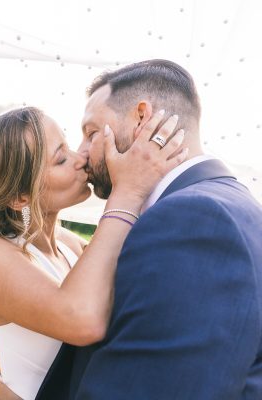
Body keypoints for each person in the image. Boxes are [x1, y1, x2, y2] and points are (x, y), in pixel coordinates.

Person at [35, 59, 262, 399]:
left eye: (91, 133)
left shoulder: (194, 219)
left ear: (142, 117)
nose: (81, 154)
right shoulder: (220, 203)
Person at [0, 104, 186, 399]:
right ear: (19, 196)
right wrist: (127, 193)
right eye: (61, 159)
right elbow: (82, 320)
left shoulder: (70, 244)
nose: (81, 159)